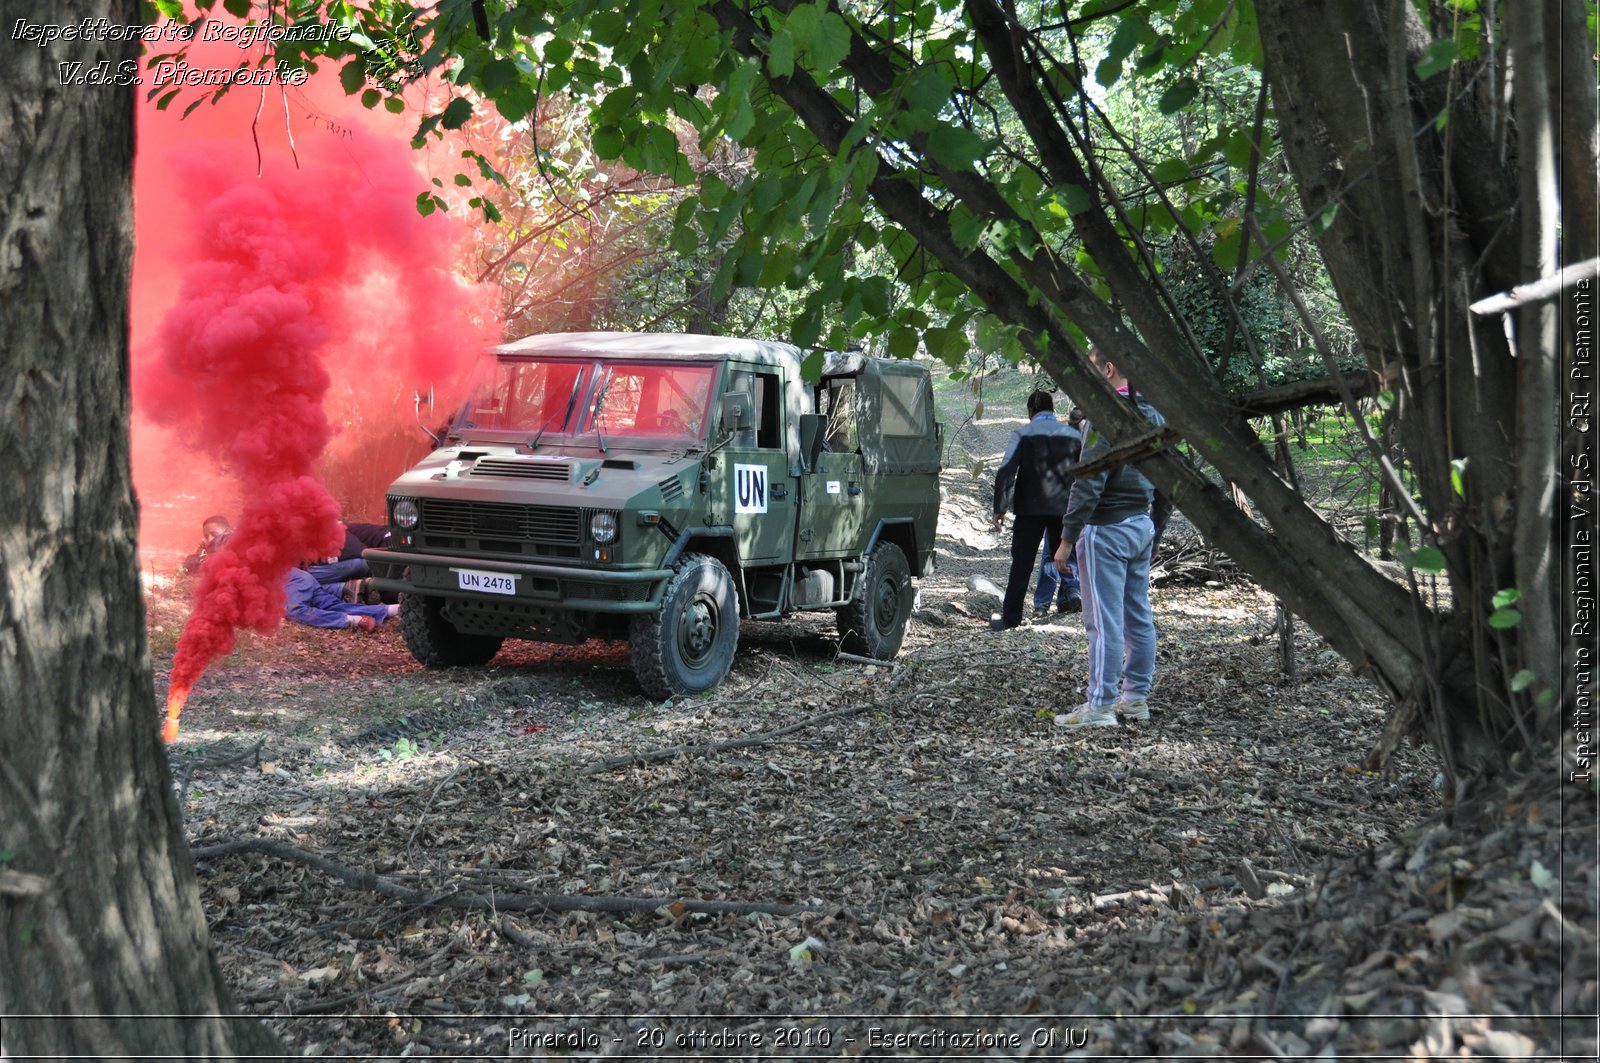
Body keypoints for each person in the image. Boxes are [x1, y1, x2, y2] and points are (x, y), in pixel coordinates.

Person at [1053, 349, 1171, 728]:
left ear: (1107, 369)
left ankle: (1101, 706)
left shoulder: (1104, 416)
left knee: (1102, 622)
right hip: (1140, 524)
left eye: (1090, 368)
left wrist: (1067, 538)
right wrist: (1155, 527)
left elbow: (1089, 479)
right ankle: (1135, 699)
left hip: (1107, 529)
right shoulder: (1155, 413)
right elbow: (1168, 476)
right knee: (1138, 616)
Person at [990, 390, 1082, 630]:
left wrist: (999, 507)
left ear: (1030, 411)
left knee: (1021, 563)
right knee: (1066, 554)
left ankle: (1011, 619)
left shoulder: (1022, 434)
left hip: (1029, 511)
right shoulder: (1073, 435)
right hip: (1063, 508)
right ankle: (1070, 596)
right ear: (1052, 410)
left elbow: (1006, 471)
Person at [284, 559, 399, 632]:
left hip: (292, 579)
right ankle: (392, 609)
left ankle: (353, 620)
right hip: (299, 577)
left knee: (296, 611)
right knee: (331, 605)